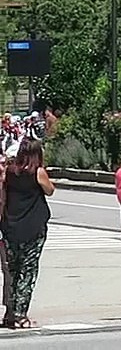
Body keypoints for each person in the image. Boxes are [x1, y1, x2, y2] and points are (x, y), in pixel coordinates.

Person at [1, 138, 53, 329]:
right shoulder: (37, 173)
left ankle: (11, 312)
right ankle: (21, 315)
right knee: (28, 272)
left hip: (11, 227)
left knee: (12, 272)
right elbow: (50, 191)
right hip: (33, 228)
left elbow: (4, 195)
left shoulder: (10, 172)